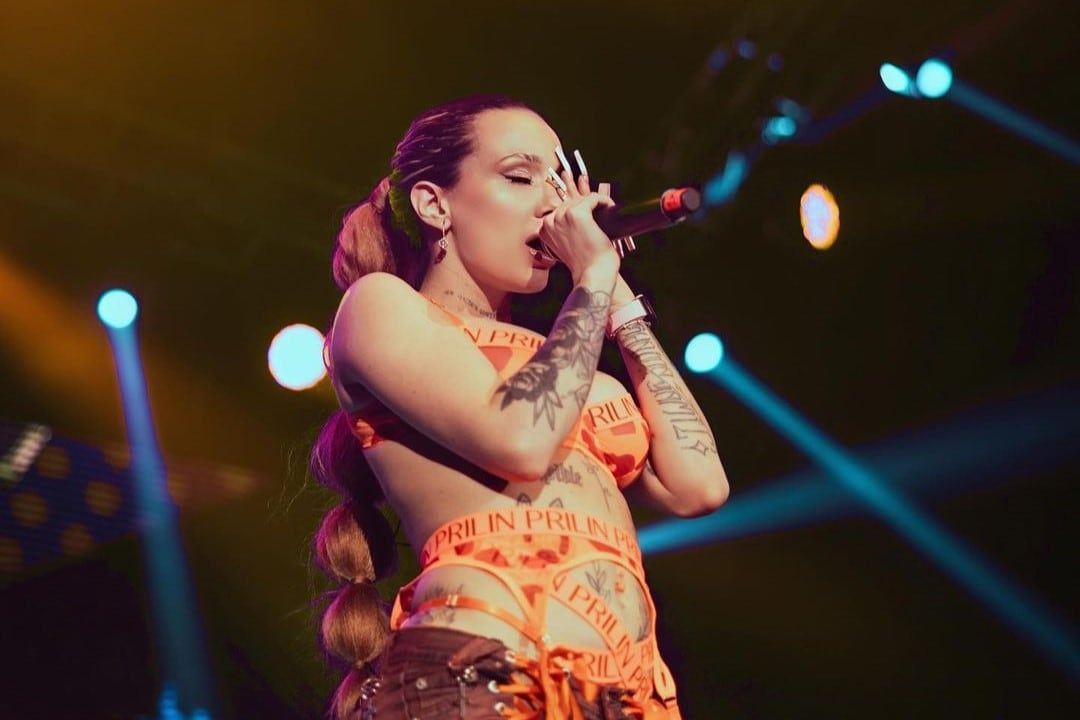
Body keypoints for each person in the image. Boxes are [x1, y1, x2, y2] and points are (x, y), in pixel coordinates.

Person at [310, 94, 728, 720]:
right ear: (435, 204)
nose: (552, 203)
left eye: (558, 181)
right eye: (519, 177)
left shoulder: (568, 358)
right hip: (479, 673)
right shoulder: (382, 308)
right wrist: (587, 276)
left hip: (623, 697)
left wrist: (615, 296)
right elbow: (521, 439)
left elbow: (698, 486)